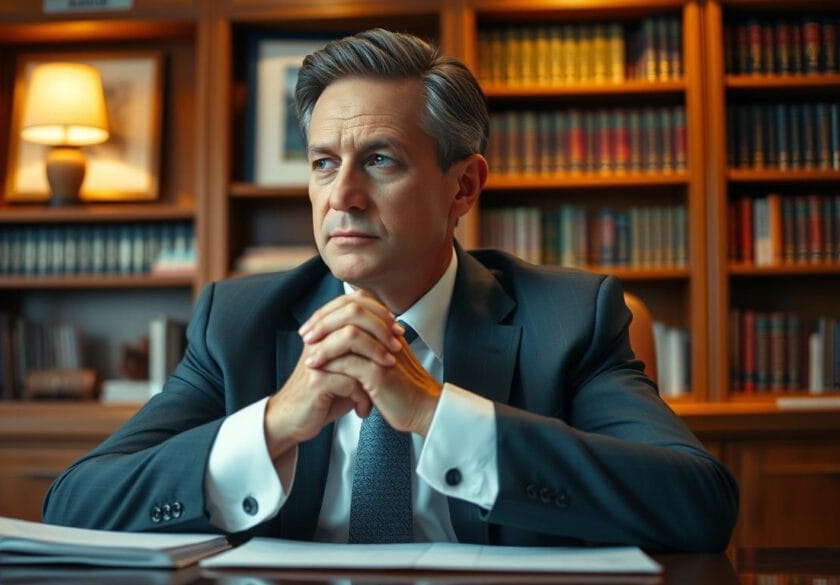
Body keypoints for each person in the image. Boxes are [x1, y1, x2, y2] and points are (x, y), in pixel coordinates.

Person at [43, 29, 737, 552]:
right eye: (323, 163)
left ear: (463, 187)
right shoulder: (237, 323)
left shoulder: (569, 319)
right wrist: (276, 423)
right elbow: (75, 506)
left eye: (379, 160)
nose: (342, 195)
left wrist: (436, 411)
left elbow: (697, 506)